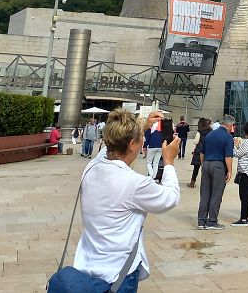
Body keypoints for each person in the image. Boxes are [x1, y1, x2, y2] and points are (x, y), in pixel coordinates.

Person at [70, 108, 180, 292]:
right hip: (119, 274)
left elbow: (109, 148)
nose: (143, 140)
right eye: (141, 138)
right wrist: (168, 162)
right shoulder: (134, 183)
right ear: (132, 144)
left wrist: (142, 126)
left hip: (86, 265)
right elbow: (170, 198)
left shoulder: (92, 167)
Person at [197, 115, 235, 230]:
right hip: (218, 166)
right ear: (230, 125)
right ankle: (212, 221)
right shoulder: (228, 137)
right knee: (216, 194)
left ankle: (201, 221)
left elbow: (202, 153)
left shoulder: (210, 134)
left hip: (206, 164)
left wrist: (204, 165)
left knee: (205, 193)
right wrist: (230, 171)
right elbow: (228, 156)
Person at [188, 118, 210, 188]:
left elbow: (196, 141)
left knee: (196, 169)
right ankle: (206, 184)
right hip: (208, 151)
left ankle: (192, 183)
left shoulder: (199, 132)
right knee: (206, 169)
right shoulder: (211, 131)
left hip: (199, 151)